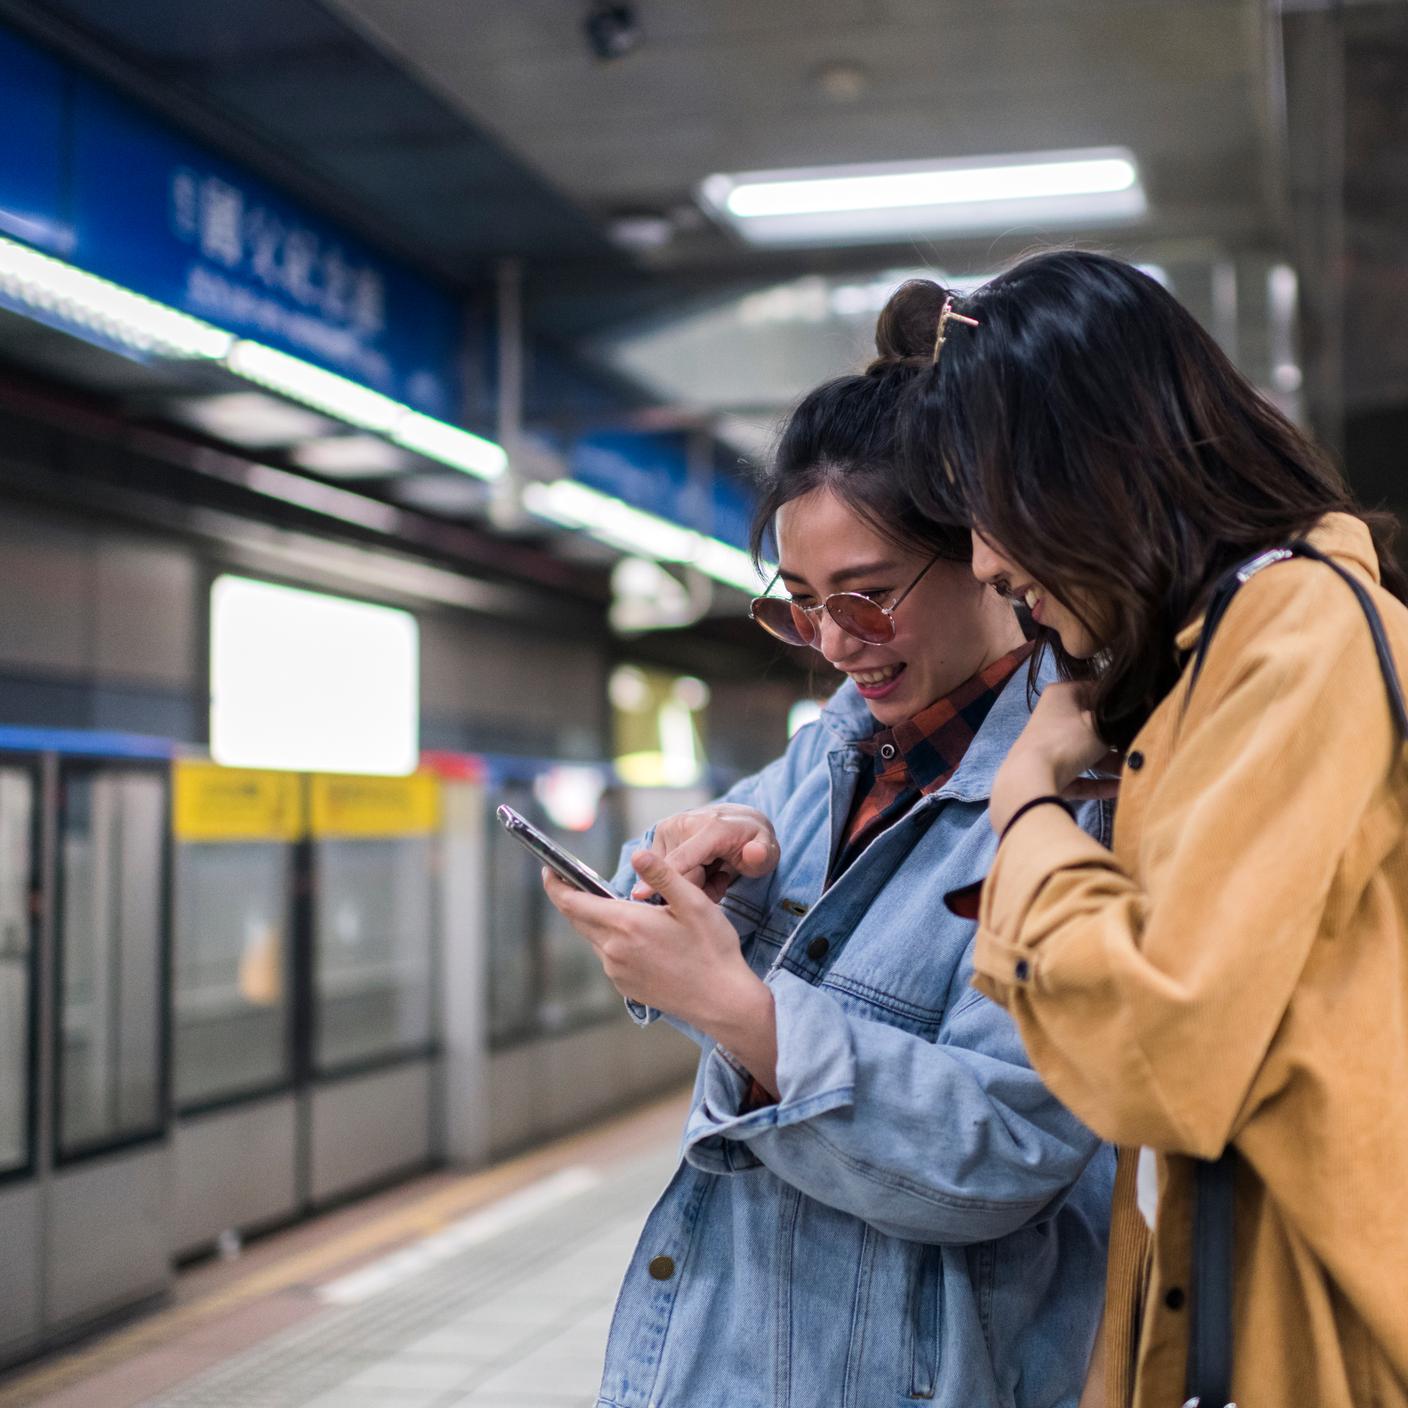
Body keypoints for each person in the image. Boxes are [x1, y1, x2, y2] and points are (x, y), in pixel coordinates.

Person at [543, 295, 1114, 1408]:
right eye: (800, 606)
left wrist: (746, 1015)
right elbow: (648, 906)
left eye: (866, 596)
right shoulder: (834, 755)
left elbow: (1005, 1150)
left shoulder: (1077, 791)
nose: (838, 644)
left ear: (989, 556)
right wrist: (682, 871)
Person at [897, 249, 1408, 1407]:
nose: (986, 560)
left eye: (989, 509)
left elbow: (1159, 1046)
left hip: (1318, 1344)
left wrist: (1026, 798)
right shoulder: (1203, 664)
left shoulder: (1296, 633)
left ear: (1088, 468)